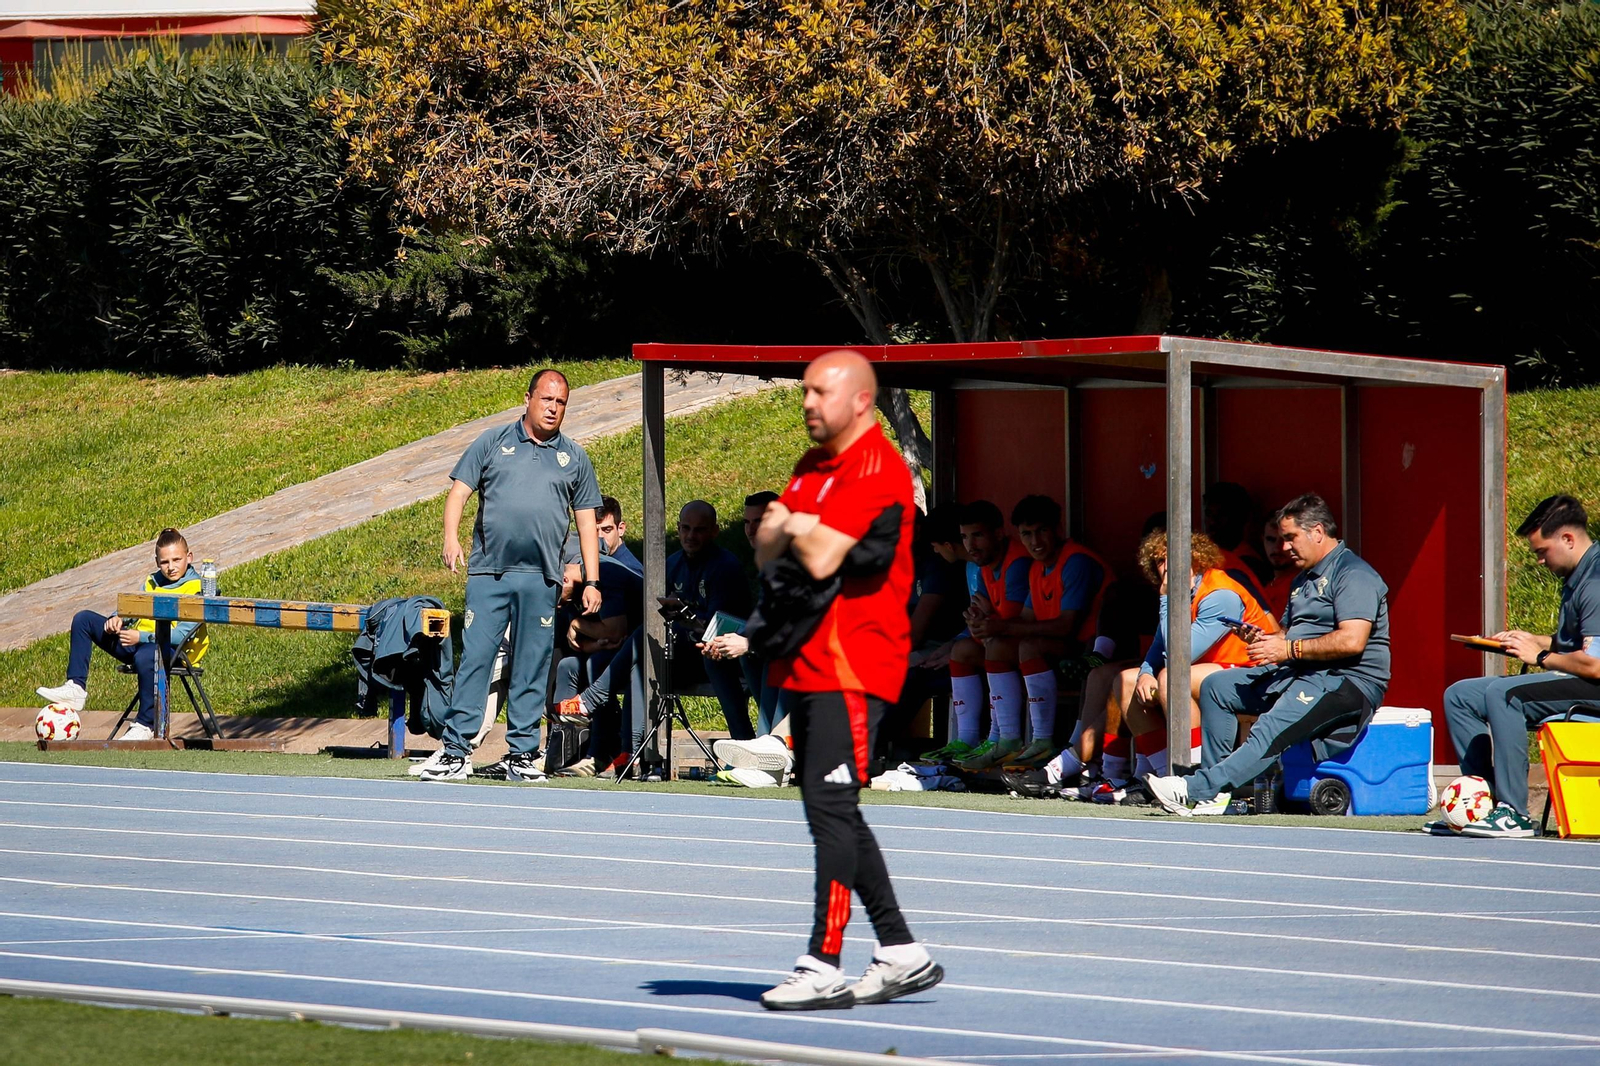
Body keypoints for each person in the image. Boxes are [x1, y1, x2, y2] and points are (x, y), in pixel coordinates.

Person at [753, 348, 942, 1010]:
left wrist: (797, 526)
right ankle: (900, 949)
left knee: (831, 808)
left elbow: (823, 549)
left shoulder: (878, 468)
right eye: (804, 391)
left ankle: (822, 962)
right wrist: (797, 528)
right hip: (806, 656)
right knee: (827, 808)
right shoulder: (812, 466)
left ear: (861, 400)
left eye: (818, 392)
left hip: (854, 661)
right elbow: (766, 541)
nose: (806, 403)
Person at [1145, 494, 1390, 816]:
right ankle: (1215, 794)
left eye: (1291, 537)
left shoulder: (1354, 573)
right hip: (1301, 671)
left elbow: (1352, 641)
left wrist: (1287, 649)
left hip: (1346, 681)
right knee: (1216, 687)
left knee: (1269, 726)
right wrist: (1264, 639)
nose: (1285, 546)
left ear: (1317, 531)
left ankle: (1196, 789)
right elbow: (1289, 633)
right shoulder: (1303, 578)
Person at [425, 368, 603, 782]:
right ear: (528, 399)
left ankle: (522, 755)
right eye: (546, 399)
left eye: (560, 403)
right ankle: (456, 752)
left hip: (542, 579)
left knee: (531, 665)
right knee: (477, 661)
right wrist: (450, 538)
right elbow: (459, 492)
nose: (553, 408)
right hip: (490, 574)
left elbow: (587, 522)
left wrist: (592, 581)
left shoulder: (573, 457)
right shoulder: (493, 441)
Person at [1433, 495, 1600, 838]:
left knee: (1506, 695)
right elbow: (1579, 643)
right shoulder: (1579, 574)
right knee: (1460, 695)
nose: (1540, 561)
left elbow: (1595, 664)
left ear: (1568, 539)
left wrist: (1538, 658)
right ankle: (1484, 803)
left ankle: (1514, 813)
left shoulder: (1596, 581)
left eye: (1542, 551)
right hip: (1581, 677)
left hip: (1593, 686)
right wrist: (1535, 641)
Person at [1118, 530, 1279, 801]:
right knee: (1126, 680)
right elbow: (1158, 649)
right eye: (1160, 561)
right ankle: (1161, 779)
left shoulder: (1219, 593)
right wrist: (1146, 674)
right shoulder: (1182, 594)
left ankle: (1191, 778)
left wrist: (1166, 599)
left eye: (1175, 559)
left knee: (1173, 677)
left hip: (1255, 670)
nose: (1168, 567)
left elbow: (1181, 654)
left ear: (1197, 560)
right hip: (1211, 670)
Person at [961, 495, 1111, 770]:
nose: (1034, 541)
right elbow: (1025, 619)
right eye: (1026, 534)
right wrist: (987, 624)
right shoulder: (1037, 567)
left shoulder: (1076, 561)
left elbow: (1068, 626)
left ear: (1057, 529)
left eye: (1041, 530)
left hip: (1090, 651)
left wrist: (1001, 626)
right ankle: (1005, 739)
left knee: (1026, 646)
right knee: (995, 646)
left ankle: (1043, 741)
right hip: (1061, 647)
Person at [39, 528, 209, 740]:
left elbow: (180, 636)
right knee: (84, 620)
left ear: (189, 557)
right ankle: (76, 688)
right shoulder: (152, 582)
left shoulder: (196, 588)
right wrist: (117, 618)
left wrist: (141, 637)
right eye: (165, 562)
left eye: (177, 559)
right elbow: (132, 607)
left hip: (174, 652)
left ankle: (146, 724)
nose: (171, 567)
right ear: (157, 561)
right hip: (139, 644)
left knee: (146, 654)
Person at [551, 496, 646, 777]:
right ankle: (560, 751)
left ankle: (599, 750)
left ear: (621, 528)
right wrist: (588, 637)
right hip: (604, 650)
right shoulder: (577, 563)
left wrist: (581, 628)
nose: (599, 540)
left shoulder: (611, 570)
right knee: (567, 664)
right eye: (592, 533)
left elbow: (616, 633)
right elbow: (578, 639)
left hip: (634, 655)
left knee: (595, 663)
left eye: (605, 530)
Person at [935, 500, 1031, 766]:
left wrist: (985, 620)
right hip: (1006, 642)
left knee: (995, 646)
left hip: (1035, 646)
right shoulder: (986, 564)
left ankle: (1005, 738)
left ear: (998, 533)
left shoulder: (1017, 562)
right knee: (963, 650)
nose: (970, 545)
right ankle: (967, 738)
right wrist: (978, 620)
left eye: (977, 535)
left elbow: (1009, 622)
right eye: (965, 537)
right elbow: (988, 618)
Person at [662, 500, 756, 739]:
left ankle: (744, 742)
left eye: (699, 529)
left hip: (727, 653)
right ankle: (631, 750)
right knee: (641, 645)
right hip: (682, 653)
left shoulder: (725, 567)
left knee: (716, 659)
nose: (690, 535)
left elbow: (719, 625)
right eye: (685, 528)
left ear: (714, 531)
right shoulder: (671, 564)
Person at [1203, 481, 1274, 605]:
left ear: (1241, 518)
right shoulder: (1206, 556)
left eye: (1221, 515)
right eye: (1209, 514)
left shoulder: (1250, 564)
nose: (1212, 522)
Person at [1261, 515, 1297, 619]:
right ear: (1262, 539)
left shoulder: (1304, 585)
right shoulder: (1269, 586)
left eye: (1284, 540)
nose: (1277, 548)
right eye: (1271, 540)